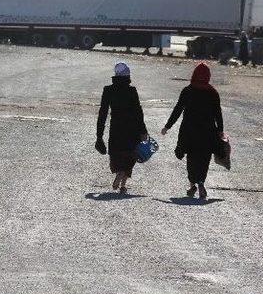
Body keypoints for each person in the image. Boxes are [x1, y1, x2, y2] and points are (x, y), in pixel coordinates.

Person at [161, 63, 224, 199]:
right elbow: (218, 113)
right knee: (203, 159)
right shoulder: (212, 92)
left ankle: (192, 185)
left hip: (190, 131)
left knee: (192, 159)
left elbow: (177, 110)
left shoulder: (187, 90)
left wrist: (168, 126)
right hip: (207, 132)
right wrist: (220, 131)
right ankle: (201, 182)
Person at [96, 62, 148, 194]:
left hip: (116, 128)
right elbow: (138, 111)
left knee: (117, 153)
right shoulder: (132, 91)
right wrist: (143, 130)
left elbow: (103, 112)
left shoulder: (108, 90)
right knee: (130, 155)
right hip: (132, 129)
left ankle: (119, 172)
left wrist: (99, 135)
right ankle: (123, 184)